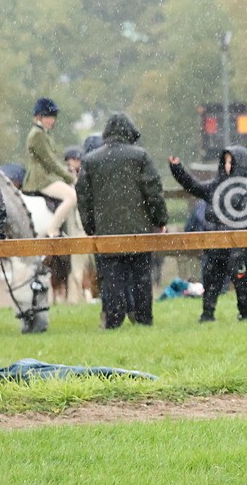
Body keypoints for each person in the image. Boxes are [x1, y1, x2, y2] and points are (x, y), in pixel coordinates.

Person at [75, 113, 168, 329]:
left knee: (112, 280)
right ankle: (143, 320)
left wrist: (91, 227)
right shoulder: (140, 157)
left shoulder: (91, 160)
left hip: (106, 232)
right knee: (141, 279)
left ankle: (113, 320)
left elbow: (84, 197)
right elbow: (153, 192)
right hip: (139, 230)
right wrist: (159, 220)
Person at [168, 146, 247, 322]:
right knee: (211, 279)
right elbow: (193, 186)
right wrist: (177, 169)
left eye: (231, 161)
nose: (227, 165)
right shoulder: (215, 186)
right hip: (215, 244)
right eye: (225, 161)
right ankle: (207, 313)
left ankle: (244, 313)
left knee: (241, 281)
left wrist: (236, 241)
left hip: (238, 246)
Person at [23, 98, 77, 238]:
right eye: (48, 117)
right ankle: (52, 229)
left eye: (53, 117)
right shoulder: (37, 135)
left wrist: (66, 169)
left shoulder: (44, 133)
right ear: (39, 117)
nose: (52, 120)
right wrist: (68, 176)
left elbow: (53, 159)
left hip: (47, 176)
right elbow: (50, 161)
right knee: (71, 196)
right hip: (41, 178)